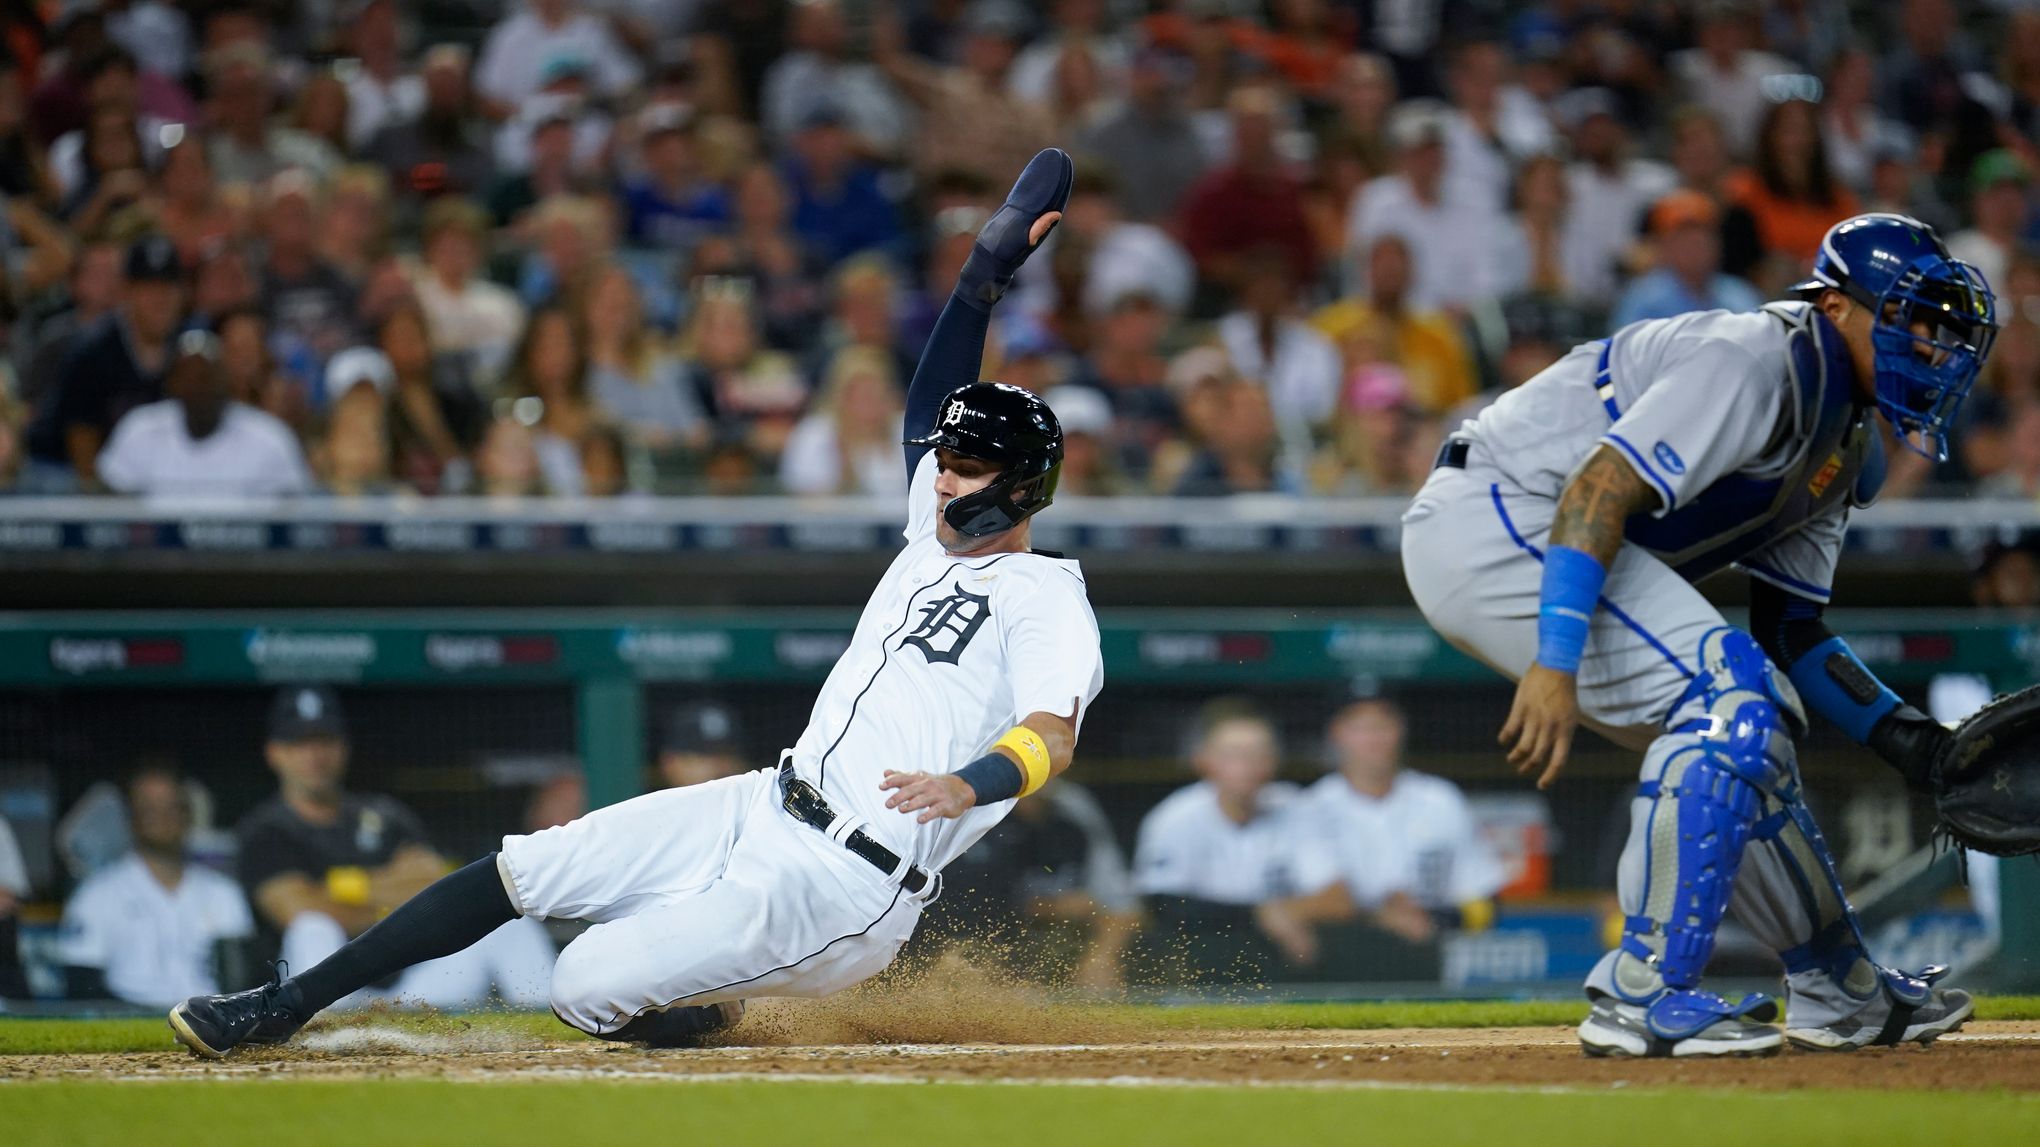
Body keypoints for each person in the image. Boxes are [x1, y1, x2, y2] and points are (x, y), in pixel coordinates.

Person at [169, 149, 1105, 1058]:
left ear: (1022, 487)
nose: (942, 479)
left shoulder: (1044, 594)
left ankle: (729, 1023)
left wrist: (966, 785)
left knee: (582, 985)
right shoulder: (930, 531)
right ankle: (283, 1005)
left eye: (966, 466)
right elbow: (927, 405)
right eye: (943, 462)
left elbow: (1049, 737)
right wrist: (982, 276)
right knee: (528, 866)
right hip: (763, 803)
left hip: (846, 884)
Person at [1400, 214, 1990, 1057]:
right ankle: (1641, 991)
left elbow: (1792, 628)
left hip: (1549, 534)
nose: (1931, 345)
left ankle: (1840, 989)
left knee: (1758, 736)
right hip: (1500, 511)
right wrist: (1555, 658)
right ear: (1833, 306)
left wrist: (1916, 743)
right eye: (1910, 317)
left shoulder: (1847, 444)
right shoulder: (1755, 357)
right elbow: (1597, 488)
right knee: (1732, 700)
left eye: (1939, 327)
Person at [228, 685, 556, 1013]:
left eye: (325, 741)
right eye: (300, 743)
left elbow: (434, 883)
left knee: (508, 922)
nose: (315, 755)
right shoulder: (266, 830)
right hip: (325, 996)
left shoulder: (384, 816)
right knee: (313, 927)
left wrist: (341, 889)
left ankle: (557, 1030)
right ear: (274, 753)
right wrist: (393, 902)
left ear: (343, 747)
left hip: (412, 990)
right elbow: (297, 911)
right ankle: (331, 1032)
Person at [1132, 698, 1337, 967]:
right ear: (1203, 760)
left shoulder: (1295, 806)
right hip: (1202, 957)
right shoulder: (1174, 818)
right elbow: (1160, 906)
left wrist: (1283, 913)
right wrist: (1258, 914)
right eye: (1233, 754)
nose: (1247, 766)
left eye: (1258, 754)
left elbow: (1338, 899)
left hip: (1283, 954)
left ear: (1273, 761)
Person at [1293, 696, 1506, 944]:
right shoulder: (1309, 808)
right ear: (1337, 733)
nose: (1374, 739)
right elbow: (1301, 907)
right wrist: (1380, 918)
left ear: (1401, 731)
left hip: (1428, 954)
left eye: (1383, 726)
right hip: (1338, 956)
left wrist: (1431, 919)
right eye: (1361, 728)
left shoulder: (1440, 799)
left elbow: (1486, 903)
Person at [58, 763, 255, 1007]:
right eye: (149, 808)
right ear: (130, 816)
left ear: (187, 813)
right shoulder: (96, 895)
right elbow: (80, 985)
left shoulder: (223, 892)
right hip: (127, 1024)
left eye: (172, 806)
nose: (162, 817)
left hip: (211, 1024)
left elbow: (242, 982)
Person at [23, 234, 184, 491]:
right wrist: (107, 509)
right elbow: (81, 444)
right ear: (128, 292)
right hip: (63, 469)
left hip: (143, 479)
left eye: (168, 287)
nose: (160, 299)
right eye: (149, 288)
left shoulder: (186, 350)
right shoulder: (93, 350)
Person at [97, 330, 314, 498]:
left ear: (226, 380)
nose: (199, 386)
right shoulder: (139, 429)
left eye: (207, 376)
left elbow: (291, 519)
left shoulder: (269, 437)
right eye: (189, 376)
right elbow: (113, 507)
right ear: (172, 383)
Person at [1608, 191, 1764, 329]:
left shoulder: (1739, 294)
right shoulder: (1643, 297)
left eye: (1702, 238)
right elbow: (1624, 354)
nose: (1693, 246)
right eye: (1682, 239)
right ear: (1664, 247)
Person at [655, 700, 747, 790]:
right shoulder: (646, 804)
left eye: (728, 753)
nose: (720, 765)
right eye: (705, 754)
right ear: (670, 762)